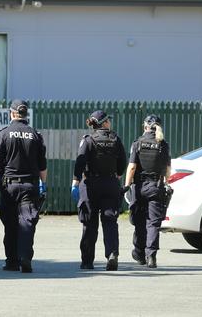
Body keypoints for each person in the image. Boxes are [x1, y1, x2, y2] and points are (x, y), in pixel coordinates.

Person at [0, 99, 47, 273]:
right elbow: (42, 163)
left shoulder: (4, 133)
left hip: (9, 187)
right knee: (27, 223)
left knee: (11, 225)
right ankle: (26, 257)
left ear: (12, 113)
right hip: (30, 186)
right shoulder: (35, 134)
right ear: (25, 114)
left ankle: (12, 261)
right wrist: (44, 183)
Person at [71, 110, 127, 271]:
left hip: (91, 185)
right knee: (110, 221)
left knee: (89, 223)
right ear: (104, 123)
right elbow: (122, 163)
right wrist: (116, 175)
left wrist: (75, 182)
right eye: (108, 120)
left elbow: (80, 162)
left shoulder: (88, 140)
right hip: (110, 183)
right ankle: (112, 254)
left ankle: (87, 261)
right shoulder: (116, 139)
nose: (110, 122)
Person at [124, 114, 171, 269]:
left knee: (138, 221)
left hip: (139, 187)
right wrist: (167, 183)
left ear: (145, 127)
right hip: (156, 186)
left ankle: (138, 252)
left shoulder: (137, 143)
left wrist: (127, 185)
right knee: (153, 224)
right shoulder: (163, 144)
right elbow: (167, 169)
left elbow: (132, 167)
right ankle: (151, 256)